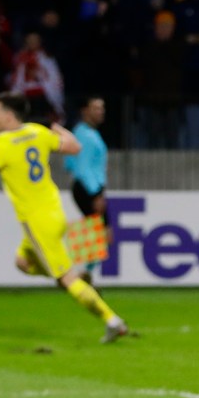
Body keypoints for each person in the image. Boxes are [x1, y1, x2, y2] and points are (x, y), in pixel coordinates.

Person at [0, 92, 129, 344]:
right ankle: (75, 279)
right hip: (53, 212)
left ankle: (112, 320)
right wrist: (53, 125)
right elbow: (74, 146)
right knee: (22, 262)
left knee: (64, 279)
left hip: (35, 221)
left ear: (8, 114)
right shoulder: (36, 132)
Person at [64, 96, 109, 284]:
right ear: (84, 111)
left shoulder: (84, 133)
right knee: (99, 235)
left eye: (102, 108)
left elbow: (69, 163)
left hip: (88, 187)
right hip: (88, 188)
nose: (100, 112)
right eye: (95, 108)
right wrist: (96, 194)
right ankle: (79, 276)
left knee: (98, 236)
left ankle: (85, 276)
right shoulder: (84, 135)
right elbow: (82, 168)